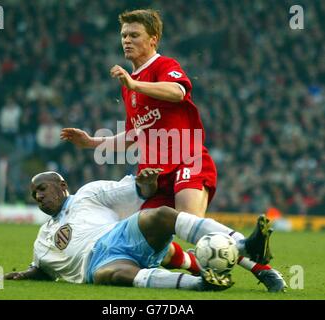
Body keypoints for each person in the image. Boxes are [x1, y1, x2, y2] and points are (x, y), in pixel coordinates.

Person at [60, 9, 286, 292]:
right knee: (157, 246)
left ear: (153, 39)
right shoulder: (129, 87)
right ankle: (215, 264)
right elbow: (134, 134)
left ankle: (262, 266)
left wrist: (134, 83)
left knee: (189, 220)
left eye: (134, 35)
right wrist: (92, 142)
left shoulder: (163, 65)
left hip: (185, 158)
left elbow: (178, 92)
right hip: (154, 176)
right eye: (123, 36)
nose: (126, 41)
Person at [5, 170, 274, 292]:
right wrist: (21, 275)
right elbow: (40, 270)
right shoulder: (42, 240)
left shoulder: (88, 194)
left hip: (122, 234)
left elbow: (137, 191)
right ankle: (202, 284)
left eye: (42, 189)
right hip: (98, 264)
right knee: (112, 275)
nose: (38, 196)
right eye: (34, 194)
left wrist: (148, 185)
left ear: (61, 184)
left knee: (160, 215)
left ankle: (243, 245)